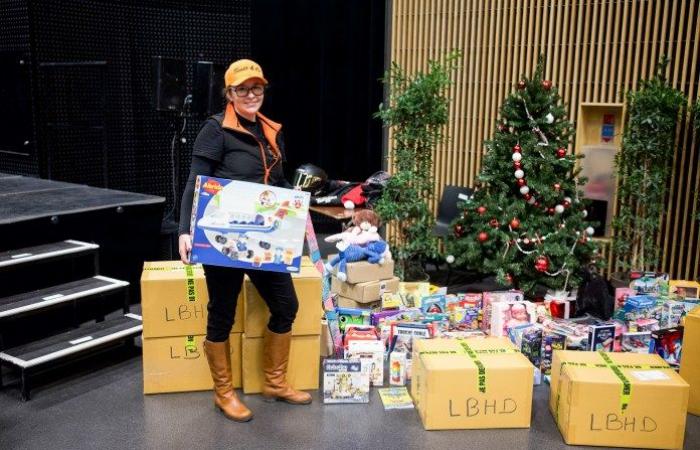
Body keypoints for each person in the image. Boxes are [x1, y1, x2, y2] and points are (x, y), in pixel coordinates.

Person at [178, 59, 311, 423]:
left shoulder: (272, 131)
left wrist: (299, 205)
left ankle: (275, 382)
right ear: (230, 94)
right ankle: (224, 394)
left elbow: (278, 183)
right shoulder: (215, 130)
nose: (251, 95)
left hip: (264, 239)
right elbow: (196, 181)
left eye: (257, 88)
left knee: (286, 305)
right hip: (223, 238)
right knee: (221, 313)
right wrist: (184, 230)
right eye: (242, 89)